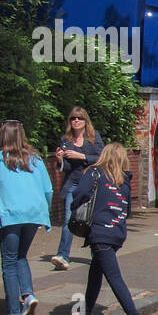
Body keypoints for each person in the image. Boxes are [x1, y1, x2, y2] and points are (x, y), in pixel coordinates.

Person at [71, 143, 150, 315]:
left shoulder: (94, 173)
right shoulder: (123, 179)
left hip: (100, 232)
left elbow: (80, 194)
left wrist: (76, 207)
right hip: (117, 232)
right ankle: (85, 314)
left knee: (113, 277)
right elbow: (128, 210)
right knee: (96, 272)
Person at [0, 120, 52, 315]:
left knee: (9, 261)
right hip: (34, 214)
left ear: (2, 136)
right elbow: (48, 189)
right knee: (21, 256)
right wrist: (44, 212)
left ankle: (13, 314)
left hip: (11, 215)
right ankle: (28, 295)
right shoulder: (35, 159)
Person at [51, 107, 103, 269]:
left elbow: (102, 158)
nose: (76, 121)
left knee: (92, 221)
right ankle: (63, 255)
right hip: (73, 183)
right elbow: (66, 167)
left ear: (85, 121)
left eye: (79, 118)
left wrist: (82, 156)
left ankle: (98, 255)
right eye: (73, 118)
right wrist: (60, 160)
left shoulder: (94, 138)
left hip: (91, 183)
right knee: (68, 219)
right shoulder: (66, 140)